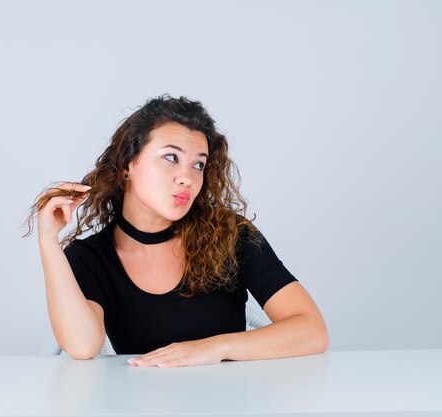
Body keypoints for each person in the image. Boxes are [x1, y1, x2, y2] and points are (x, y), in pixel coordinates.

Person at [23, 94, 329, 368]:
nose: (187, 178)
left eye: (198, 165)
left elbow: (312, 330)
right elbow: (81, 346)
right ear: (128, 164)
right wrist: (49, 240)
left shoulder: (231, 235)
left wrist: (213, 348)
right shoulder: (90, 258)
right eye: (171, 158)